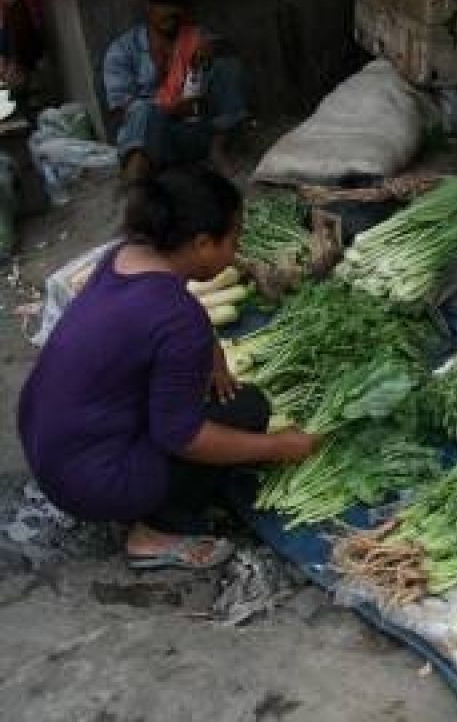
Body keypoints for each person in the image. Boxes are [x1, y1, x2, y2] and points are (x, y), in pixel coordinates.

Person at [18, 167, 320, 569]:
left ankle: (135, 487)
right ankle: (156, 533)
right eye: (234, 239)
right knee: (249, 412)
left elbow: (178, 312)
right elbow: (184, 437)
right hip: (93, 482)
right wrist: (279, 446)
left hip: (48, 445)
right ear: (201, 244)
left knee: (226, 400)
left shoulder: (123, 257)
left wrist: (212, 354)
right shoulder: (176, 318)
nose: (238, 250)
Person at [103, 0, 247, 182]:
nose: (172, 11)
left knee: (227, 66)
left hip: (195, 133)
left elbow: (227, 49)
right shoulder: (122, 50)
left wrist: (213, 49)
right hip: (151, 137)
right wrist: (169, 109)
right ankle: (137, 179)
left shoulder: (193, 36)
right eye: (164, 4)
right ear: (147, 6)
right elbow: (122, 109)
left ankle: (217, 152)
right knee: (142, 110)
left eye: (177, 4)